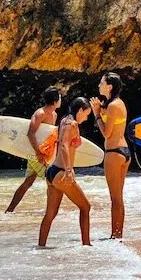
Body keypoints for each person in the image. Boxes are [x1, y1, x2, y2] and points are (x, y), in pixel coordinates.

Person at [38, 97, 93, 247]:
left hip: (52, 172)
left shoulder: (64, 121)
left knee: (50, 214)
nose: (87, 118)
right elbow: (63, 146)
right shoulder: (72, 124)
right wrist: (69, 170)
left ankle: (41, 247)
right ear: (80, 110)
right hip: (62, 172)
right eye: (86, 114)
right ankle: (87, 246)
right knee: (85, 207)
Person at [6, 87, 61, 213]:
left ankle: (9, 211)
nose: (61, 100)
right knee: (51, 182)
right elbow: (30, 133)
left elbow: (48, 135)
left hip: (45, 154)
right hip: (37, 154)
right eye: (60, 97)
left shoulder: (54, 114)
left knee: (29, 181)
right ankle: (50, 212)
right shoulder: (40, 114)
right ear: (55, 100)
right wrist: (38, 153)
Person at [91, 72, 130, 239]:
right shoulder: (115, 104)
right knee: (118, 197)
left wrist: (97, 114)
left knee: (115, 198)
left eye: (101, 83)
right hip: (124, 152)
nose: (99, 85)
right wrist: (100, 109)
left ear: (109, 86)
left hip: (114, 152)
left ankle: (115, 235)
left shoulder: (114, 106)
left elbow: (106, 133)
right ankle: (118, 234)